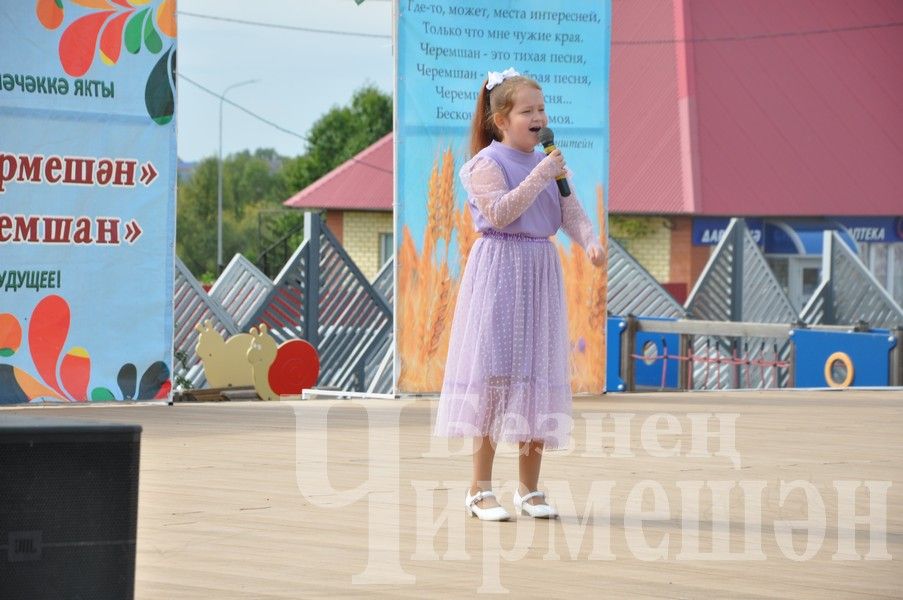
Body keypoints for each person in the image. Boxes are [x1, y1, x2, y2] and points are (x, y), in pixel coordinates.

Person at [434, 68, 605, 521]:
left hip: (540, 270)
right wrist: (541, 174)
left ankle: (529, 489)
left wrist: (588, 239)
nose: (538, 117)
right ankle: (479, 489)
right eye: (527, 110)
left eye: (542, 108)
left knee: (537, 378)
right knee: (493, 377)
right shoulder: (485, 164)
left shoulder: (548, 161)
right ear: (501, 121)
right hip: (500, 268)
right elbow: (501, 213)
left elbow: (571, 209)